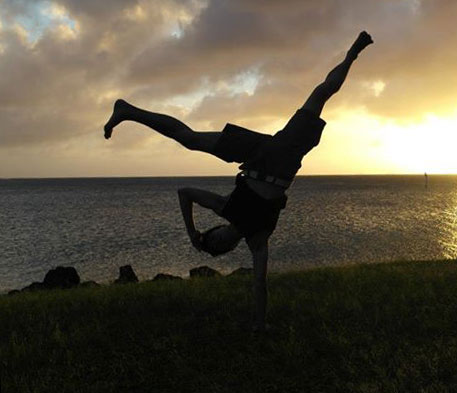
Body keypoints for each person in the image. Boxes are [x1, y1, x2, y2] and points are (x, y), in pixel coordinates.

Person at [103, 31, 373, 331]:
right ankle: (127, 111)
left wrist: (193, 232)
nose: (218, 239)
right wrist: (260, 324)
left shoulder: (225, 208)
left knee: (190, 139)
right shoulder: (258, 241)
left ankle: (127, 111)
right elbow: (260, 283)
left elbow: (185, 193)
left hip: (258, 153)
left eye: (214, 236)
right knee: (321, 95)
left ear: (218, 227)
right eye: (218, 245)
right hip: (284, 159)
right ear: (230, 249)